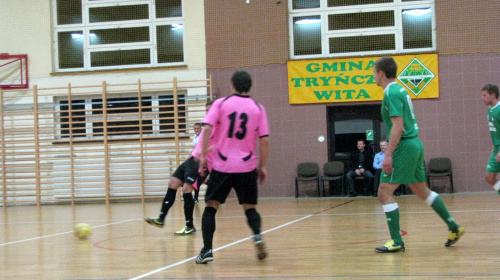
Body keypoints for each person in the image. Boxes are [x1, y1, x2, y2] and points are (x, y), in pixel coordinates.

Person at [373, 56, 463, 253]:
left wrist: (388, 154)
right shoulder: (400, 90)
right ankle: (453, 227)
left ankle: (396, 240)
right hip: (414, 144)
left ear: (381, 73)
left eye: (374, 72)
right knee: (422, 191)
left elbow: (398, 126)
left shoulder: (391, 93)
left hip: (404, 146)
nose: (374, 77)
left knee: (384, 192)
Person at [195, 70, 270, 264]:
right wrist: (262, 167)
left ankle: (207, 250)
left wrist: (203, 157)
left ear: (232, 85)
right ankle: (258, 236)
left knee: (211, 207)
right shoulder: (258, 108)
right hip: (247, 166)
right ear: (249, 86)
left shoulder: (220, 104)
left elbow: (206, 128)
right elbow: (265, 140)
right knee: (250, 208)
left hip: (222, 165)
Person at [144, 101, 214, 235]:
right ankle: (161, 218)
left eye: (209, 109)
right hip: (191, 160)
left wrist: (204, 152)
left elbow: (219, 146)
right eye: (206, 109)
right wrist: (191, 156)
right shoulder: (206, 126)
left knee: (187, 189)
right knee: (173, 183)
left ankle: (189, 225)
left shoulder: (219, 127)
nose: (207, 112)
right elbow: (199, 145)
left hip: (203, 163)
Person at [481, 84, 500, 196]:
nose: (482, 98)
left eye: (484, 95)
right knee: (489, 177)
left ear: (493, 95)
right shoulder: (490, 109)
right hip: (496, 149)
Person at [192, 122, 203, 204]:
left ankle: (196, 198)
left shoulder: (202, 137)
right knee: (198, 180)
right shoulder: (195, 137)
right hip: (196, 160)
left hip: (202, 160)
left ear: (201, 129)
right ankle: (196, 198)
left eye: (198, 128)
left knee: (199, 180)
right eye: (195, 128)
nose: (196, 130)